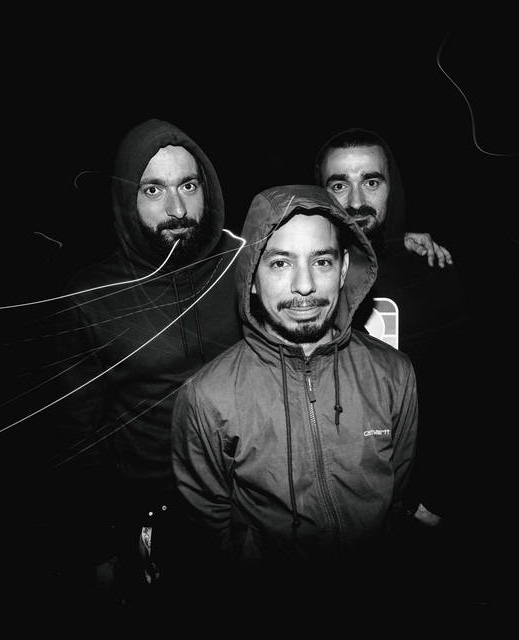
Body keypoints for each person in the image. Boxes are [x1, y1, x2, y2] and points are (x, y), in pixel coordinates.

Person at [171, 184, 418, 605]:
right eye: (281, 263)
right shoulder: (206, 397)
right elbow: (209, 534)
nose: (305, 286)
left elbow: (397, 500)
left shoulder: (394, 374)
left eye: (321, 261)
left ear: (343, 269)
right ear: (251, 275)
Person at [47, 118, 244, 614]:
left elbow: (322, 265)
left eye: (188, 186)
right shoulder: (91, 298)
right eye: (153, 189)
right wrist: (96, 547)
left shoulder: (245, 264)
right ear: (125, 199)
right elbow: (75, 438)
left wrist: (396, 241)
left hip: (249, 499)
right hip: (155, 514)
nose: (177, 209)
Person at [313, 127, 468, 530]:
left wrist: (433, 494)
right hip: (324, 498)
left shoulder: (431, 269)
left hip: (410, 503)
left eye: (371, 181)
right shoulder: (306, 274)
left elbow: (455, 392)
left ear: (391, 187)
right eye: (339, 185)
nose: (356, 201)